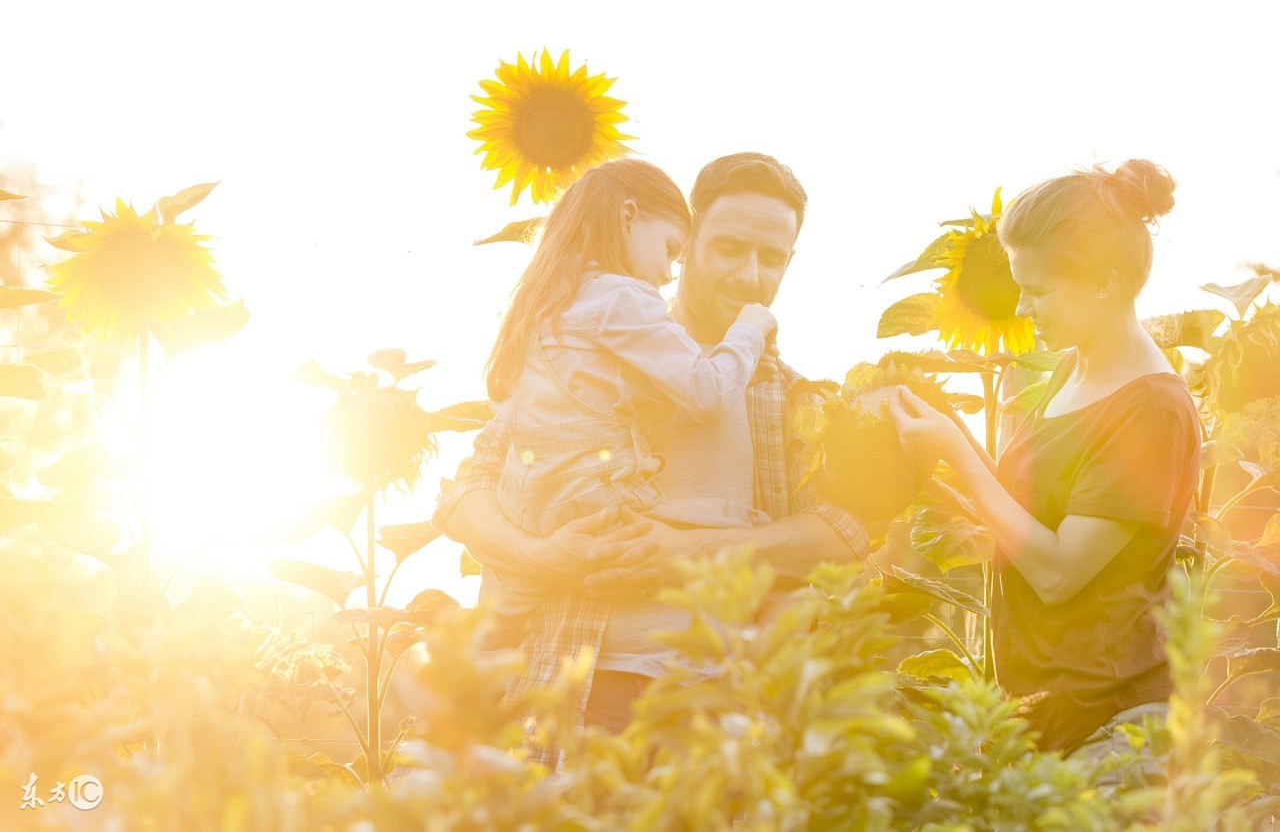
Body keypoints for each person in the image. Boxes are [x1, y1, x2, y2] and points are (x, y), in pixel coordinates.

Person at [434, 153, 868, 762]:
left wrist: (690, 552)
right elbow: (462, 494)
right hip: (575, 689)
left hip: (716, 711)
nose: (750, 275)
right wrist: (539, 556)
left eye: (771, 258)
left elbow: (843, 531)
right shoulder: (591, 351)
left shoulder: (791, 397)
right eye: (729, 248)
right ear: (685, 246)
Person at [889, 159, 1200, 769]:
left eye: (1038, 290)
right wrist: (939, 431)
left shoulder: (1150, 409)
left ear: (1104, 282)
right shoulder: (1072, 368)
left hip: (1113, 726)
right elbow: (1018, 512)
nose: (1025, 307)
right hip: (1047, 719)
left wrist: (956, 452)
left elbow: (1059, 570)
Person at [477, 158, 779, 648]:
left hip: (531, 500)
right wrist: (749, 334)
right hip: (593, 497)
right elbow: (707, 393)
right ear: (628, 216)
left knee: (503, 618)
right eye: (668, 249)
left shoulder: (553, 300)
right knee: (736, 522)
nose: (665, 271)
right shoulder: (622, 297)